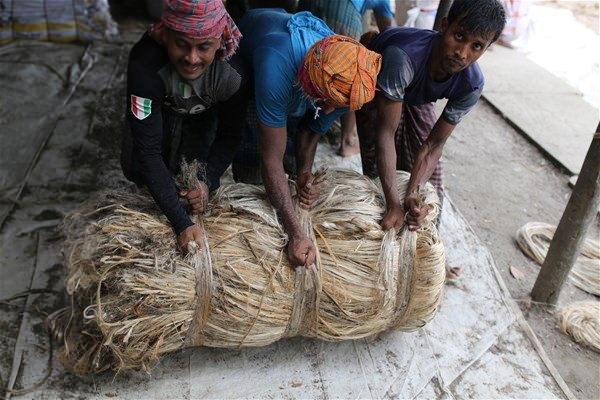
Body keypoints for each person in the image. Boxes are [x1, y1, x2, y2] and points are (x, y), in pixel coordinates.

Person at [356, 0, 506, 278]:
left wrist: (412, 193)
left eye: (477, 46)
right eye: (459, 37)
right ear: (444, 25)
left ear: (487, 48)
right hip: (377, 86)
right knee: (377, 175)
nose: (462, 53)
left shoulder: (471, 83)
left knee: (430, 186)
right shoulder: (404, 56)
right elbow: (385, 133)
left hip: (417, 93)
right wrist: (393, 201)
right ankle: (379, 252)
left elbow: (434, 145)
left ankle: (428, 254)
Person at [235, 8, 382, 267]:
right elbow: (270, 160)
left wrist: (304, 171)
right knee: (255, 167)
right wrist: (296, 234)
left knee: (291, 170)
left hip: (291, 66)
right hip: (249, 50)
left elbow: (310, 130)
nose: (327, 111)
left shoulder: (343, 75)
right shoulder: (275, 67)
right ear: (309, 81)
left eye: (333, 106)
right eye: (325, 102)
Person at [120, 0, 247, 254]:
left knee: (192, 171)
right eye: (182, 45)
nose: (191, 58)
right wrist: (181, 224)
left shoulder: (232, 75)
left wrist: (206, 182)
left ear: (221, 40)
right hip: (160, 108)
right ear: (166, 36)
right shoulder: (145, 66)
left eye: (204, 47)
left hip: (203, 113)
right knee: (136, 165)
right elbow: (148, 151)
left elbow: (230, 135)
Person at [296, 0, 394, 157]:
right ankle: (346, 140)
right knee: (350, 77)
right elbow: (387, 31)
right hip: (345, 10)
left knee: (308, 61)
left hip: (309, 7)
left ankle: (297, 125)